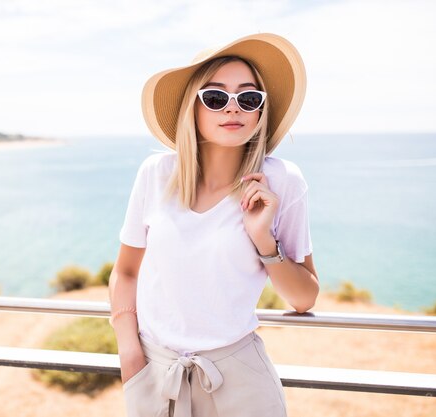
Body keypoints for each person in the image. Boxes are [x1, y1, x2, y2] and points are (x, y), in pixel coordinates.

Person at [108, 33, 319, 417]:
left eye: (249, 97)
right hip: (154, 375)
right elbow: (125, 272)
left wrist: (263, 240)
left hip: (241, 382)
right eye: (216, 97)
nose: (233, 108)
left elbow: (304, 297)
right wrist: (130, 354)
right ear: (194, 107)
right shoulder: (156, 173)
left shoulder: (283, 181)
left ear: (259, 110)